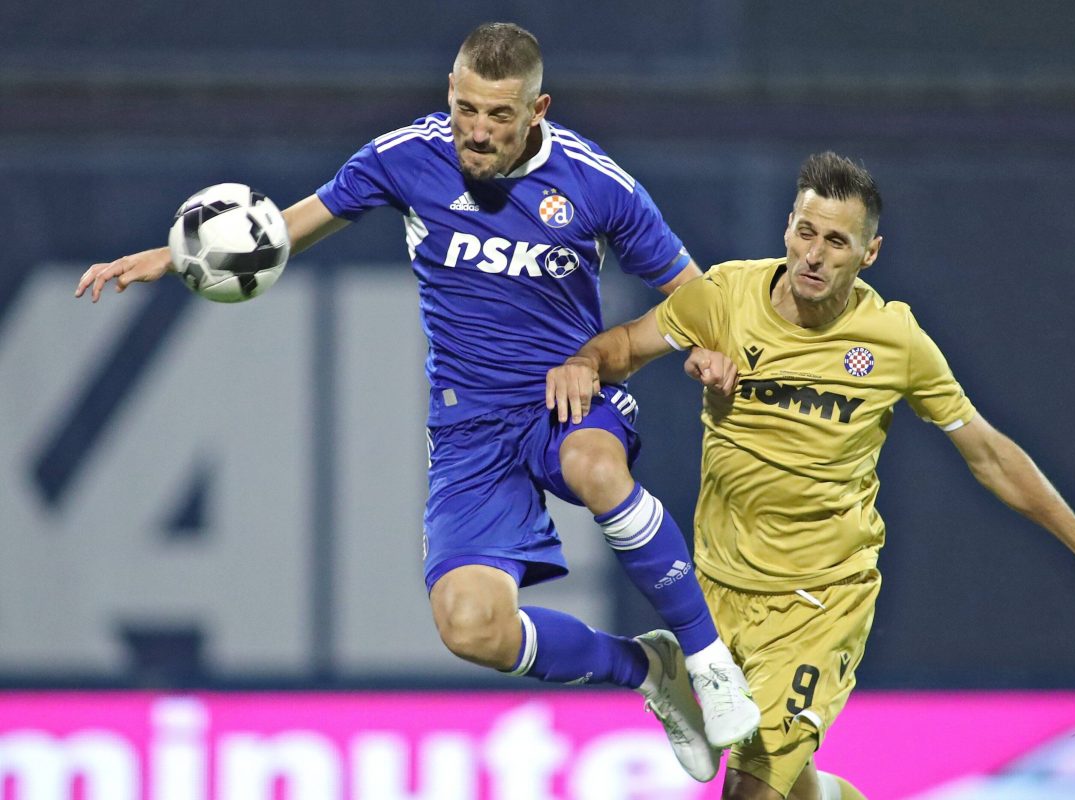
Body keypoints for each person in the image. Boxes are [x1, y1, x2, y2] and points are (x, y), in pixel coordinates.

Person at [74, 21, 760, 782]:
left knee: (594, 466)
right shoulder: (404, 158)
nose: (479, 130)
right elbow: (293, 227)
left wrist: (701, 346)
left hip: (566, 394)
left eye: (500, 116)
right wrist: (175, 257)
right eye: (467, 109)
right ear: (450, 95)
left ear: (538, 111)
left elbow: (695, 292)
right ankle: (648, 670)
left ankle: (706, 660)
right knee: (473, 629)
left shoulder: (596, 182)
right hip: (469, 426)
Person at [546, 151, 1075, 800]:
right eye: (806, 232)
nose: (814, 254)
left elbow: (989, 453)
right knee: (781, 776)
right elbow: (622, 350)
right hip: (717, 589)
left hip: (820, 600)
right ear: (787, 229)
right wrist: (584, 363)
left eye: (837, 241)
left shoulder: (894, 342)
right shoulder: (723, 299)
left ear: (869, 254)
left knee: (749, 789)